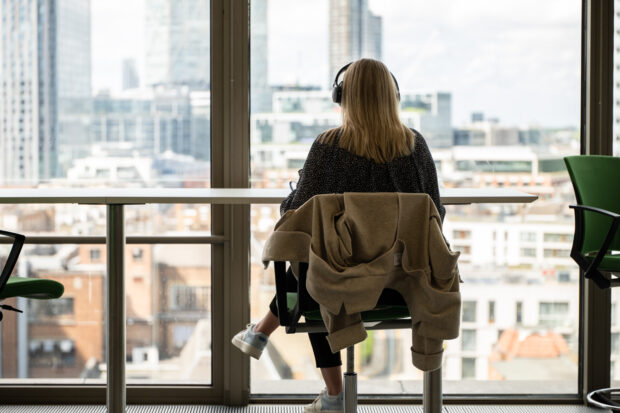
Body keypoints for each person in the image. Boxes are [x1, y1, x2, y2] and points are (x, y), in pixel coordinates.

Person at [232, 58, 445, 413]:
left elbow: (296, 216)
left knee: (315, 268)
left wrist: (293, 192)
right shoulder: (415, 146)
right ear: (393, 95)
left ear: (341, 97)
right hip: (405, 281)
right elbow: (435, 213)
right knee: (318, 267)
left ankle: (330, 389)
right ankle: (261, 332)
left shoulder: (329, 147)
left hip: (340, 285)